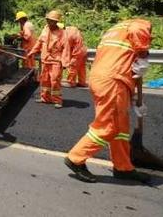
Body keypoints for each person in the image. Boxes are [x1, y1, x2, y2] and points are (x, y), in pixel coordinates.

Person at [65, 19, 152, 183]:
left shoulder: (117, 30)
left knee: (120, 128)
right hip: (113, 81)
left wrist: (133, 96)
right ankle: (75, 158)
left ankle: (123, 167)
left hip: (104, 79)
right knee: (107, 126)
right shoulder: (140, 25)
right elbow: (138, 43)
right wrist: (143, 54)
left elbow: (122, 61)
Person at [27, 10, 70, 108]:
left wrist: (65, 63)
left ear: (56, 22)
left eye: (52, 21)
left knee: (55, 80)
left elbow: (66, 49)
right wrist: (32, 52)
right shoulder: (45, 30)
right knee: (44, 80)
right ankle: (45, 98)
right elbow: (39, 42)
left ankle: (57, 100)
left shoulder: (62, 33)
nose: (50, 22)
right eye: (48, 20)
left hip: (56, 61)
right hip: (45, 60)